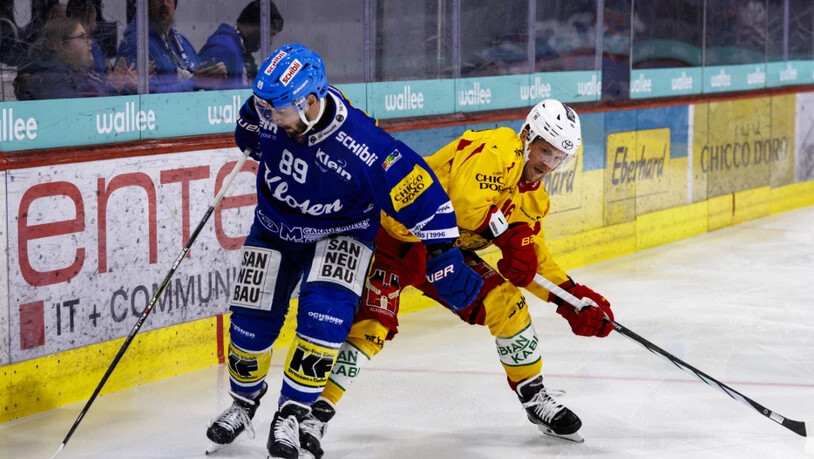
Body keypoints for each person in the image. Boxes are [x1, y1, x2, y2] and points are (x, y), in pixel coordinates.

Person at [204, 43, 483, 459]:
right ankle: (244, 403)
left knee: (324, 323)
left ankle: (292, 415)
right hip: (273, 228)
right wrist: (254, 124)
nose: (268, 118)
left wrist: (444, 255)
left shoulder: (363, 143)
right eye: (265, 108)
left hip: (341, 234)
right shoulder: (269, 111)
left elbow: (422, 191)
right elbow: (249, 129)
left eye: (276, 110)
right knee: (249, 322)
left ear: (310, 101)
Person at [300, 99, 616, 458]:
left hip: (447, 251)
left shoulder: (534, 200)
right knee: (371, 326)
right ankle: (314, 414)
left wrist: (573, 299)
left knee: (507, 303)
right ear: (527, 135)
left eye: (558, 157)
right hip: (396, 236)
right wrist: (509, 234)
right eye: (545, 151)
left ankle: (533, 395)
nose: (548, 164)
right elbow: (464, 205)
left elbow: (534, 264)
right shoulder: (499, 150)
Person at [13, 17, 136, 100]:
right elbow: (82, 117)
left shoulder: (77, 74)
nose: (90, 42)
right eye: (82, 37)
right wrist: (118, 89)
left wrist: (116, 87)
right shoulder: (52, 79)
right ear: (60, 44)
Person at [116, 0, 227, 92]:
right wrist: (194, 83)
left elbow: (199, 82)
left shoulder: (181, 40)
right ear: (145, 4)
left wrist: (213, 80)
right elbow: (146, 98)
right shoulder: (136, 44)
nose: (164, 3)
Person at [198, 0, 284, 90]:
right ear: (253, 25)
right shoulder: (222, 49)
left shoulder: (241, 50)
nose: (269, 41)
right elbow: (205, 97)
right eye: (269, 34)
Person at [66, 0, 106, 74]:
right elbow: (99, 75)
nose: (96, 24)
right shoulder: (92, 47)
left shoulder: (66, 39)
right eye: (95, 19)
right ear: (89, 18)